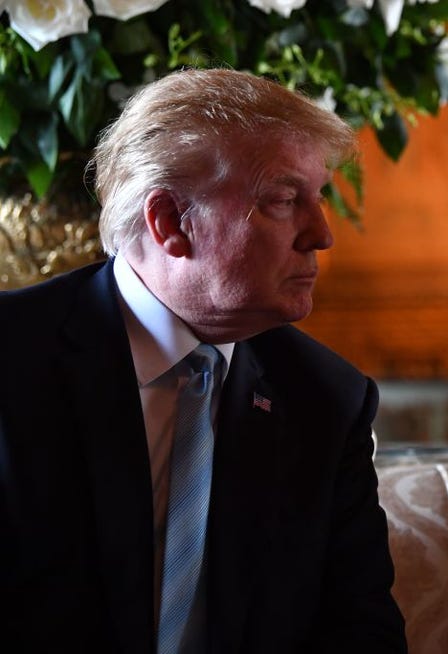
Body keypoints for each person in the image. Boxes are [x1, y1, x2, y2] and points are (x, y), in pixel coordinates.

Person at [0, 68, 407, 653]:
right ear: (170, 222)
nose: (321, 234)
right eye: (284, 200)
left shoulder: (327, 398)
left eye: (318, 198)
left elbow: (361, 632)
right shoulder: (13, 355)